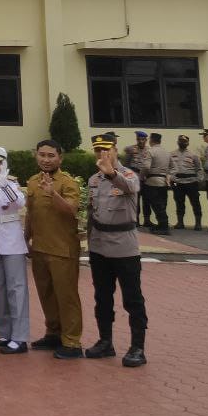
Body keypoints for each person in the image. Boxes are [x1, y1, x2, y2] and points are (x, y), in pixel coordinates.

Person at [86, 134, 148, 367]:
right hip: (99, 246)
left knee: (132, 299)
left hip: (124, 247)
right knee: (102, 297)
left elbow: (130, 187)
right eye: (98, 151)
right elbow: (91, 212)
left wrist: (111, 173)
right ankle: (105, 342)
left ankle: (137, 347)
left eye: (107, 150)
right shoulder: (94, 180)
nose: (102, 155)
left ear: (115, 150)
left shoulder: (128, 175)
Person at [24, 139, 83, 359]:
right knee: (46, 294)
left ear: (60, 158)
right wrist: (25, 239)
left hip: (62, 250)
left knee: (66, 296)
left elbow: (70, 210)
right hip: (39, 248)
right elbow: (31, 214)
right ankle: (53, 333)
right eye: (42, 155)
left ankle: (72, 342)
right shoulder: (32, 182)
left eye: (51, 156)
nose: (46, 160)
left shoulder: (67, 183)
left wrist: (52, 193)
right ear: (35, 155)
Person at [0, 146, 29, 355]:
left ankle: (19, 337)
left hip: (11, 243)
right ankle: (5, 333)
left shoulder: (12, 183)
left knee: (16, 290)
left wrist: (5, 186)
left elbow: (20, 203)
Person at [168, 134, 204, 231]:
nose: (182, 143)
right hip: (178, 182)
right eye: (180, 141)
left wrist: (199, 180)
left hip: (191, 182)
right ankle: (180, 223)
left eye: (184, 141)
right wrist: (171, 178)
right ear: (177, 142)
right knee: (179, 202)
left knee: (195, 203)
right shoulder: (171, 154)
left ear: (188, 143)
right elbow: (169, 168)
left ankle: (198, 223)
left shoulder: (194, 155)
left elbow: (199, 169)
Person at [143, 133, 171, 234]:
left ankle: (164, 227)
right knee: (162, 204)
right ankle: (161, 225)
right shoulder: (167, 152)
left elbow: (146, 167)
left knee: (156, 204)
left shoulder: (150, 151)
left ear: (151, 140)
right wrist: (168, 176)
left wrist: (143, 175)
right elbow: (173, 167)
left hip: (152, 181)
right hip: (163, 181)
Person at [123, 131, 152, 228]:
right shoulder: (131, 149)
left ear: (146, 140)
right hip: (134, 177)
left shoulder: (149, 150)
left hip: (146, 178)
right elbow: (126, 162)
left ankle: (147, 220)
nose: (141, 141)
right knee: (136, 200)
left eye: (143, 140)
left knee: (147, 199)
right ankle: (136, 220)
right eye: (139, 139)